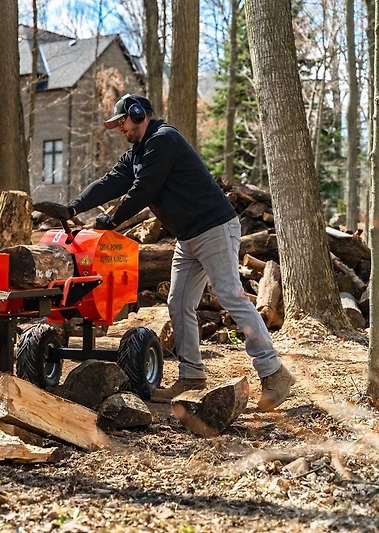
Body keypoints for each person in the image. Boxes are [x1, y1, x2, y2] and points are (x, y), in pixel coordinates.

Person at [34, 93, 294, 411]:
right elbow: (112, 181)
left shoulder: (164, 139)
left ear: (138, 113)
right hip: (187, 237)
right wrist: (72, 206)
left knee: (230, 296)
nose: (120, 130)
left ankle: (274, 372)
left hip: (214, 227)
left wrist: (111, 220)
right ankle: (191, 375)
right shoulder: (138, 153)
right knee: (179, 302)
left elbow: (144, 189)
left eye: (122, 122)